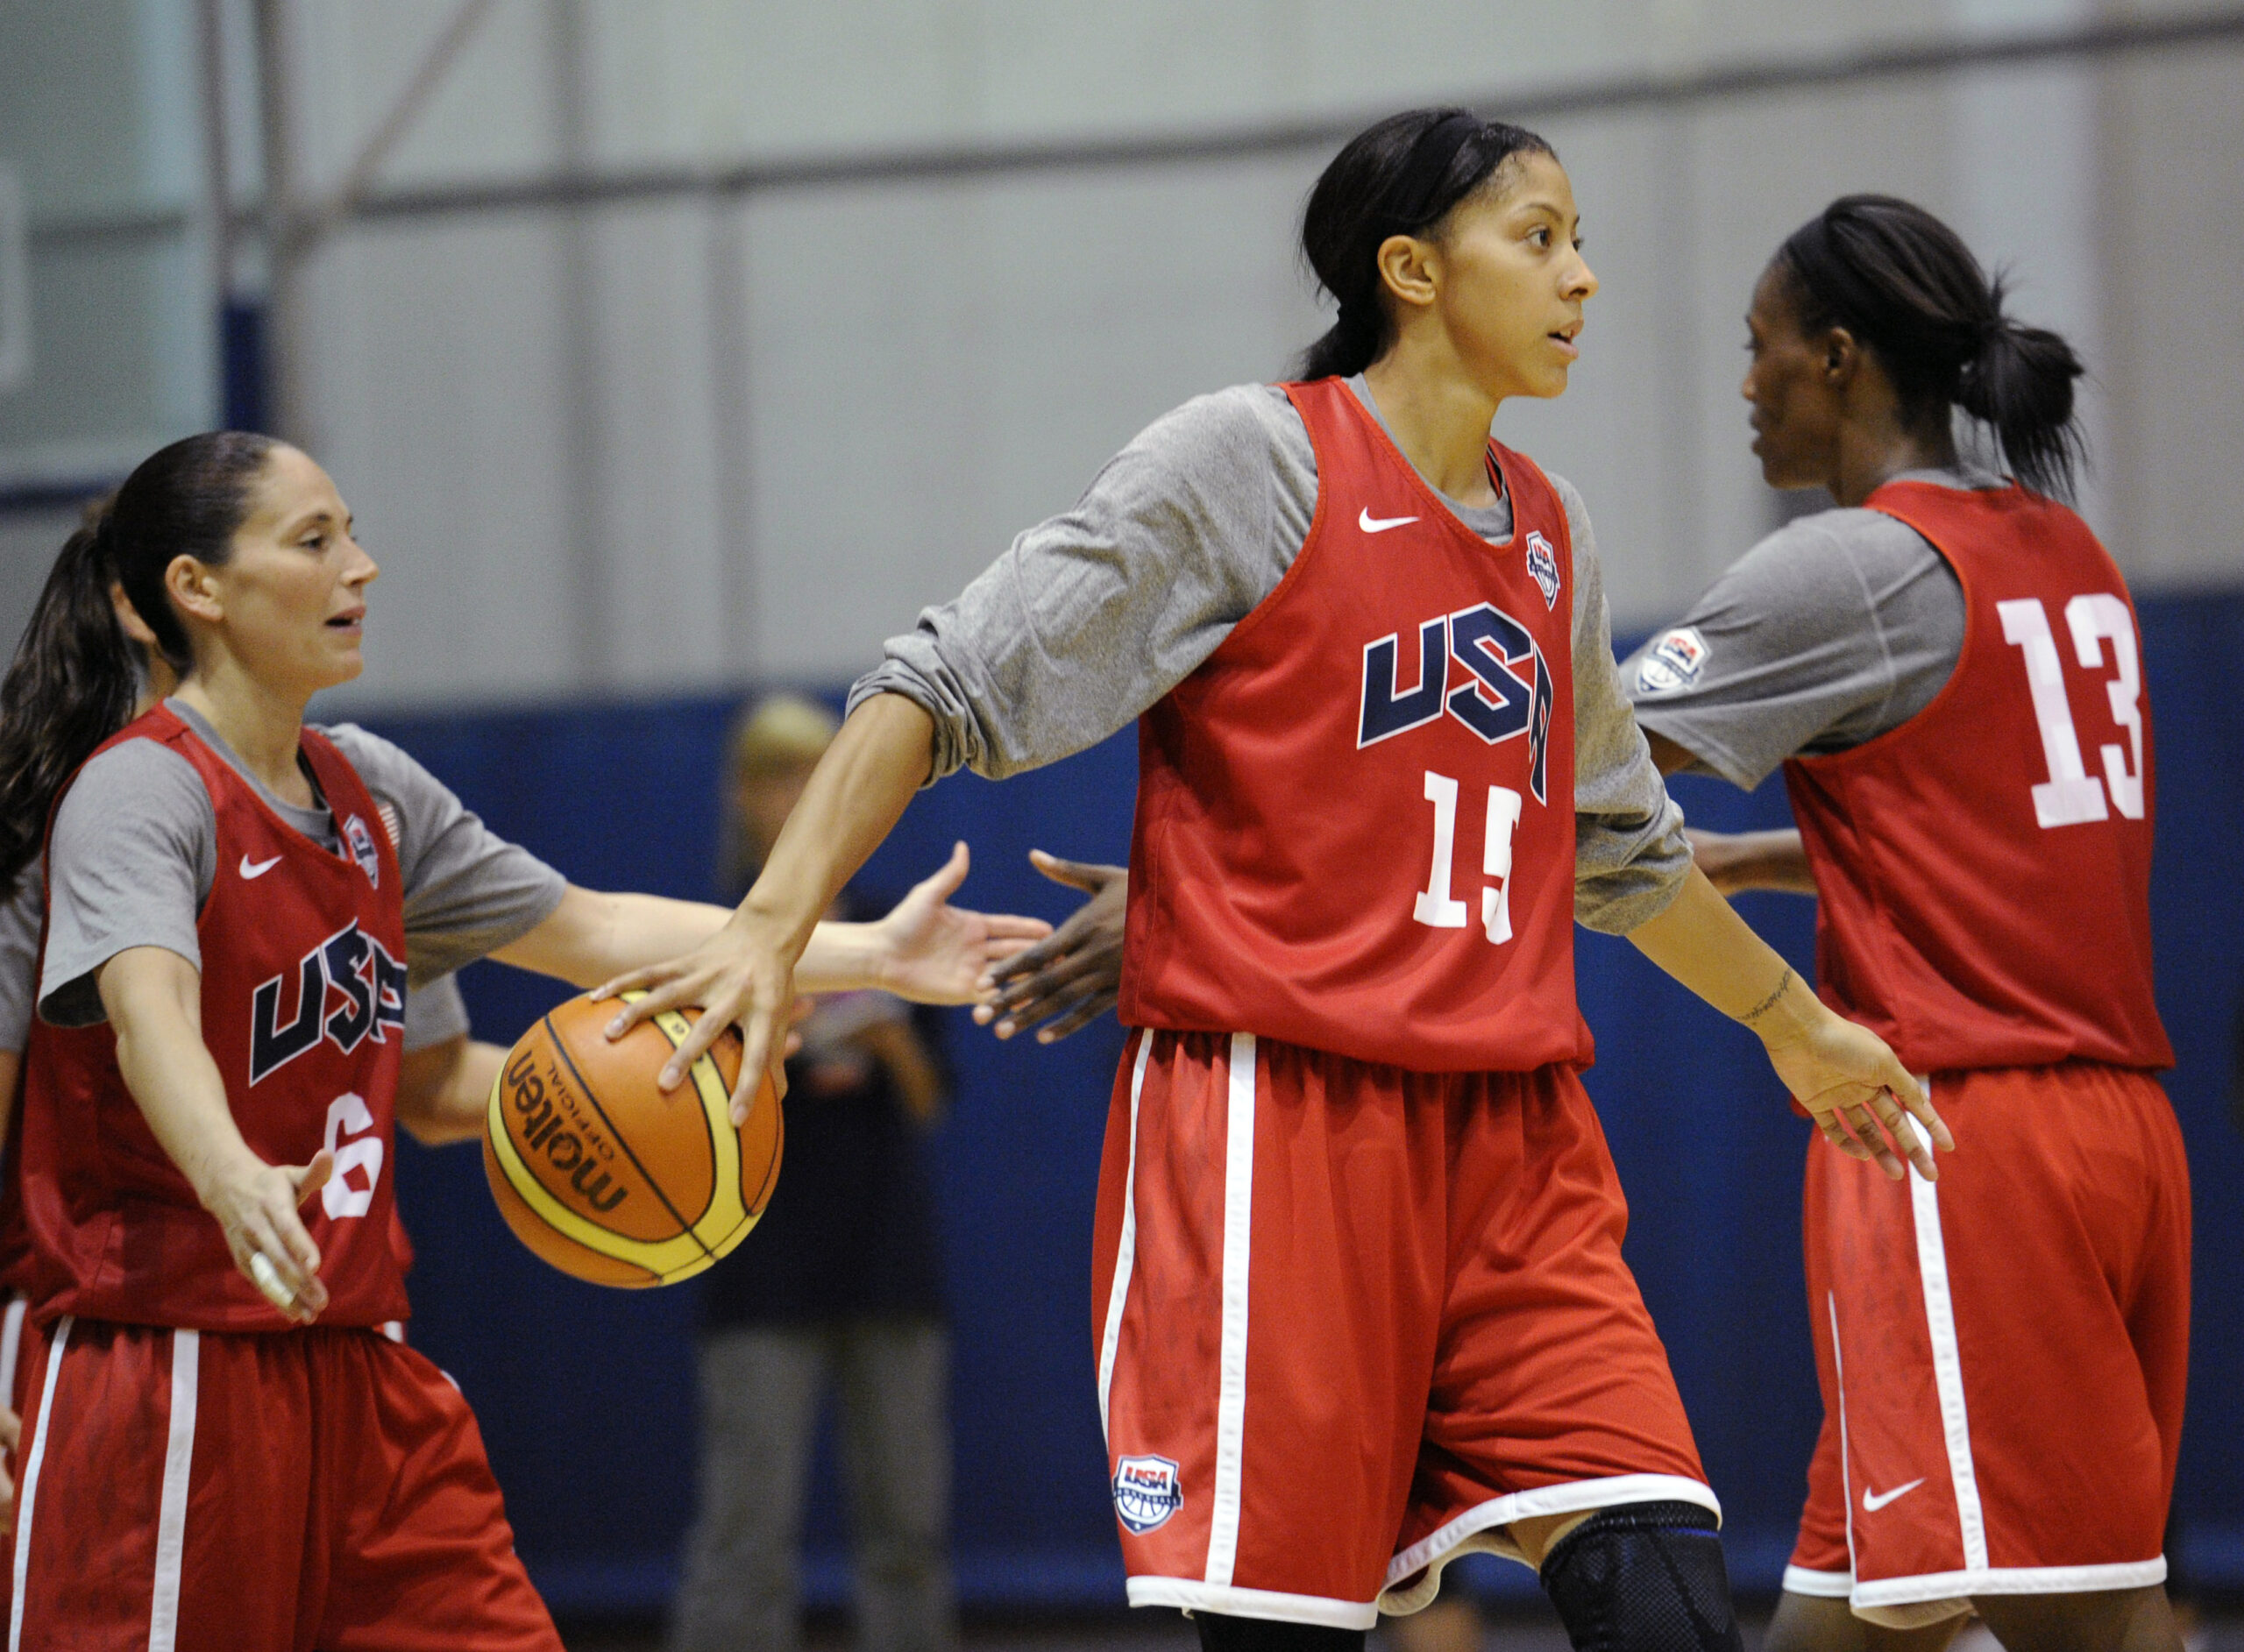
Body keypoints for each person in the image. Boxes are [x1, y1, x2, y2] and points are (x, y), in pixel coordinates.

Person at [604, 110, 1951, 1652]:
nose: (1584, 278)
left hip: (1515, 1150)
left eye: (1582, 242)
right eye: (1542, 238)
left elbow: (1618, 852)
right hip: (1279, 1131)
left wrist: (1795, 1024)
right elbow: (939, 682)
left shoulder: (1555, 530)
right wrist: (775, 928)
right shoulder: (1251, 461)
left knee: (1666, 1589)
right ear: (1412, 271)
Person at [4, 433, 1047, 1649]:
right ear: (198, 590)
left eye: (352, 531)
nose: (365, 567)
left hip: (361, 1365)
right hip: (173, 1360)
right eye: (317, 541)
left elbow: (592, 930)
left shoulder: (373, 794)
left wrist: (871, 955)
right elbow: (148, 1017)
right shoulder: (140, 792)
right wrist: (231, 1174)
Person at [1622, 197, 2187, 1652]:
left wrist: (1210, 891)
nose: (1744, 382)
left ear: (1842, 357)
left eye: (1762, 348)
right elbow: (2010, 839)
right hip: (2116, 1135)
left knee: (2094, 1622)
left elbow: (1553, 768)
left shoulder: (1850, 570)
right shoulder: (2068, 551)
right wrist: (1777, 856)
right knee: (1859, 1618)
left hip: (1962, 1144)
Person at [671, 693, 957, 1652]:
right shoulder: (705, 930)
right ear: (744, 796)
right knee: (745, 1532)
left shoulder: (887, 927)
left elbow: (934, 1103)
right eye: (774, 777)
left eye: (811, 774)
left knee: (907, 1529)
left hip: (886, 1256)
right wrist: (768, 1054)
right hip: (759, 1263)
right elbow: (676, 1118)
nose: (792, 797)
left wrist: (889, 1039)